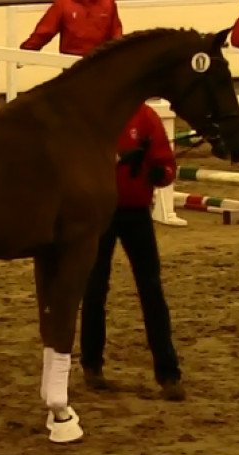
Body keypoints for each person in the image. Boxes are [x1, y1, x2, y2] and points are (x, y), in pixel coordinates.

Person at [80, 103, 185, 401]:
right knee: (95, 287)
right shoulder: (95, 114)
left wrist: (157, 172)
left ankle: (168, 372)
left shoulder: (146, 117)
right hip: (101, 212)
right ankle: (92, 364)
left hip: (136, 213)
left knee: (151, 289)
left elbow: (166, 166)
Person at [19, 0, 122, 56]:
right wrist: (25, 52)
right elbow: (44, 33)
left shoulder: (108, 3)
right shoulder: (64, 4)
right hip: (72, 66)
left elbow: (116, 35)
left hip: (99, 64)